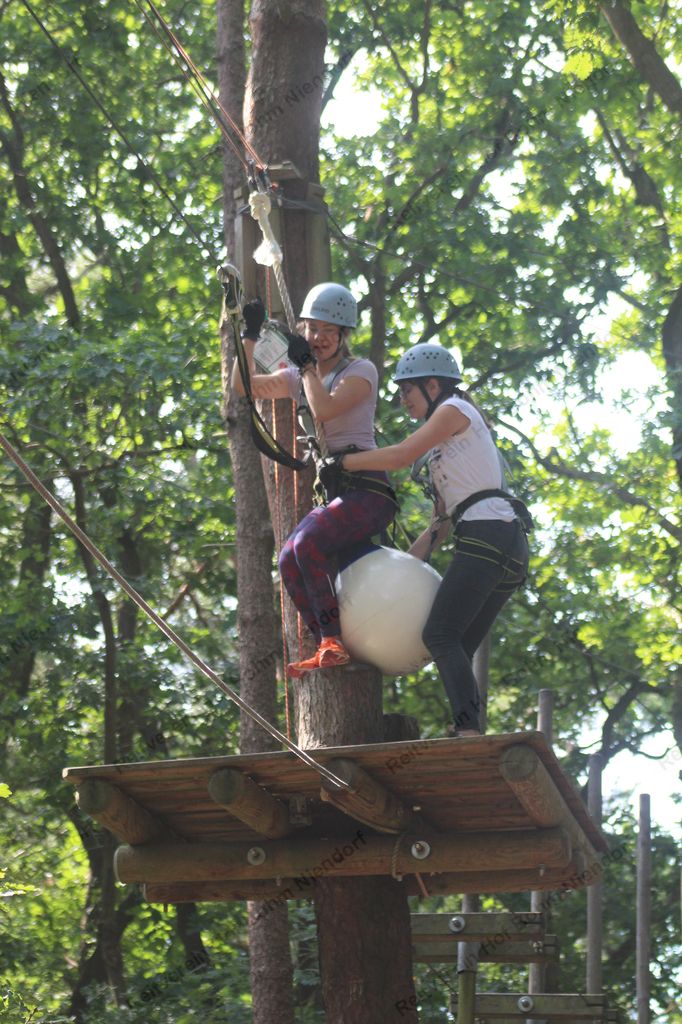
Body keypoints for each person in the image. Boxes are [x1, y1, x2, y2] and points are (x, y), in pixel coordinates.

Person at [338, 343, 530, 736]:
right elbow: (440, 526)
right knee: (457, 644)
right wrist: (398, 570)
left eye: (406, 390)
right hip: (507, 543)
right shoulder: (445, 451)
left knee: (440, 635)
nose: (402, 400)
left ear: (432, 385)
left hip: (487, 533)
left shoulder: (453, 409)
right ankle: (468, 729)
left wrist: (342, 463)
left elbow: (400, 455)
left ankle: (468, 733)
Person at [231, 282, 396, 678]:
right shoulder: (297, 376)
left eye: (328, 331)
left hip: (368, 491)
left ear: (344, 335)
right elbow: (241, 386)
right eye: (311, 328)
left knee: (306, 544)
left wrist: (305, 368)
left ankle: (332, 640)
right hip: (336, 493)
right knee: (289, 558)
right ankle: (328, 641)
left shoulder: (360, 372)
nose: (318, 338)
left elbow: (324, 410)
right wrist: (248, 336)